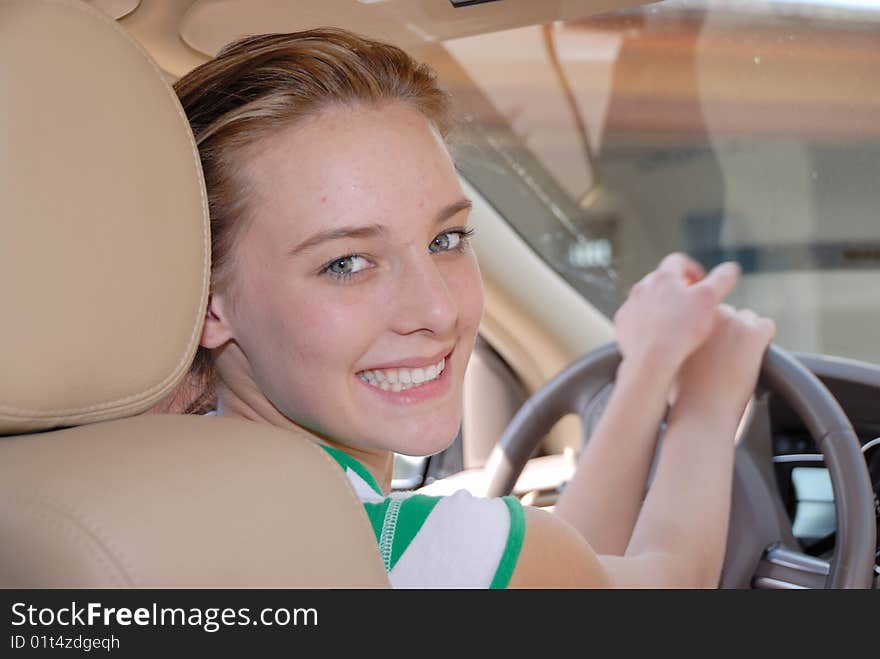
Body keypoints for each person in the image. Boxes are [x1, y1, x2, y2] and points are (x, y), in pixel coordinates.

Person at [170, 28, 775, 588]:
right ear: (209, 304)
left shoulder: (156, 493)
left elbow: (562, 575)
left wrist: (647, 370)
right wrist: (708, 403)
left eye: (446, 240)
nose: (437, 308)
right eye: (347, 263)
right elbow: (670, 584)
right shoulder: (386, 549)